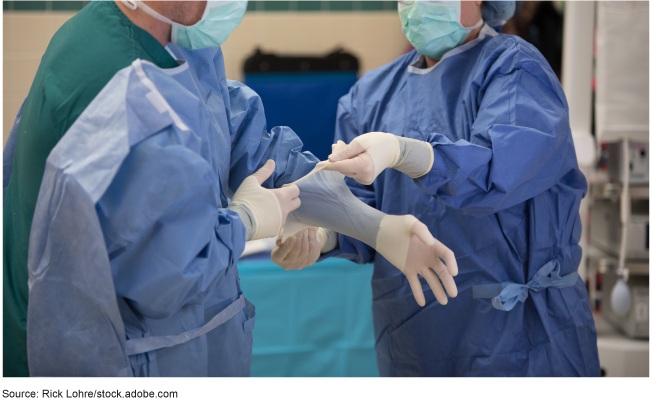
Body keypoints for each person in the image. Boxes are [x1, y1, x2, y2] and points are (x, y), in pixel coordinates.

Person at [273, 0, 600, 376]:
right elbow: (361, 211)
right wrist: (323, 235)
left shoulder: (515, 69)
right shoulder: (370, 95)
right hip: (415, 342)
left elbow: (498, 171)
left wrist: (403, 152)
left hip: (520, 341)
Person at [3, 0, 312, 376]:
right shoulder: (117, 82)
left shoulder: (164, 39)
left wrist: (323, 181)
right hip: (117, 361)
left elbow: (219, 122)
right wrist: (245, 220)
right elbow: (169, 273)